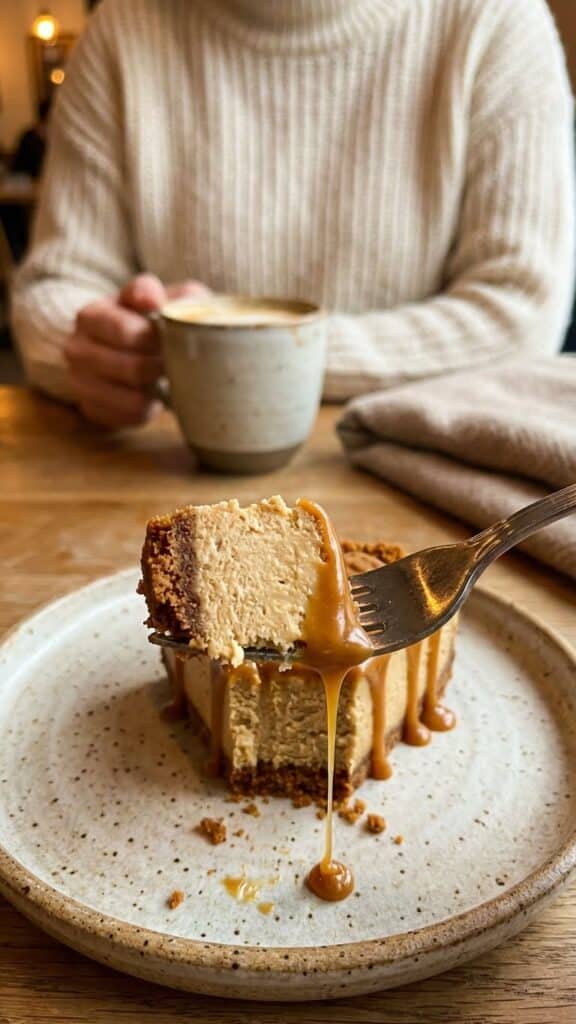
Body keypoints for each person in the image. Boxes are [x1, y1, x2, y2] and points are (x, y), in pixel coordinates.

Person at [11, 0, 575, 428]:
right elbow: (54, 291)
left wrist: (242, 357)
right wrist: (107, 349)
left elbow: (520, 313)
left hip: (422, 465)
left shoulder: (498, 22)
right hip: (157, 465)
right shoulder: (121, 29)